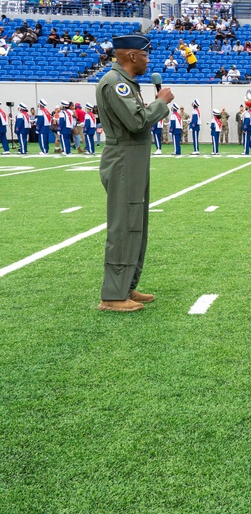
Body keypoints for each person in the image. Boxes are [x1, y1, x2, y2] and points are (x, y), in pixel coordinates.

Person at [96, 33, 173, 312]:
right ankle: (113, 296)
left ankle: (126, 286)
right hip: (125, 158)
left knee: (136, 224)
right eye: (145, 55)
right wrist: (161, 102)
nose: (147, 60)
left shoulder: (126, 83)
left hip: (134, 158)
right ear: (131, 56)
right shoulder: (116, 84)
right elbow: (137, 121)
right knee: (124, 225)